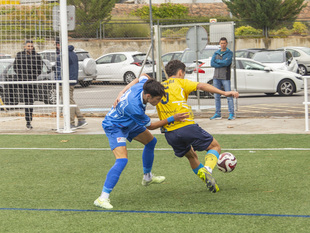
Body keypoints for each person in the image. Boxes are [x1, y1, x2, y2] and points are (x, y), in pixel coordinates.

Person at [94, 75, 189, 209]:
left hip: (129, 121)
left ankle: (147, 177)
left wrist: (121, 91)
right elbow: (151, 126)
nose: (160, 101)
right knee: (122, 160)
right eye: (157, 99)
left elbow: (143, 76)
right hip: (115, 126)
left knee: (151, 142)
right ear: (148, 96)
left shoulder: (144, 86)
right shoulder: (135, 107)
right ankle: (102, 198)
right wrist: (173, 118)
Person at [156, 60, 239, 193]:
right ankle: (208, 169)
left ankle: (206, 179)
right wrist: (224, 93)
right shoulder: (180, 82)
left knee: (191, 156)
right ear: (180, 72)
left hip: (169, 133)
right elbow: (201, 86)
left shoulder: (158, 87)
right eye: (183, 74)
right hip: (186, 126)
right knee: (215, 147)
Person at [55, 38, 87, 129]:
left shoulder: (64, 55)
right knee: (70, 101)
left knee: (68, 102)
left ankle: (71, 123)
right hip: (70, 80)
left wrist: (58, 79)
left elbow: (61, 69)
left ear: (58, 45)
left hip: (65, 81)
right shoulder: (72, 53)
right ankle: (81, 119)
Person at [13, 40, 43, 129]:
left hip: (32, 81)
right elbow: (15, 67)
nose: (30, 48)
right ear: (25, 46)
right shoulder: (19, 55)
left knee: (31, 100)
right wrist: (21, 76)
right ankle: (27, 120)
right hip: (22, 80)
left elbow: (39, 68)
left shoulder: (37, 56)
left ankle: (29, 119)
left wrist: (33, 76)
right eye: (28, 46)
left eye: (31, 46)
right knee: (25, 100)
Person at [210, 37, 235, 120]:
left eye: (224, 43)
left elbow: (227, 63)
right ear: (219, 44)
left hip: (225, 77)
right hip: (216, 77)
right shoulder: (216, 53)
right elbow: (212, 63)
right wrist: (221, 63)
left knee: (229, 96)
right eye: (221, 43)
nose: (223, 45)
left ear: (226, 44)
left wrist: (218, 61)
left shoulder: (229, 53)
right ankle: (217, 114)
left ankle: (231, 113)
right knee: (217, 96)